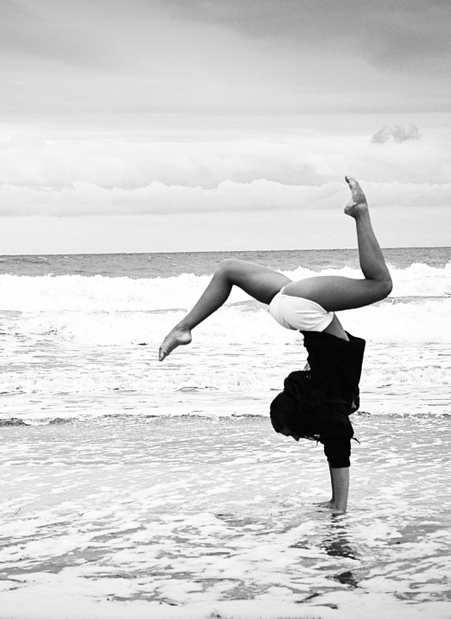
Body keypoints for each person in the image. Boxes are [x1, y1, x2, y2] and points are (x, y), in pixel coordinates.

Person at [157, 176, 392, 514]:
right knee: (227, 270)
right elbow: (335, 446)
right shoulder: (326, 403)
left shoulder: (330, 403)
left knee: (381, 284)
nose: (295, 438)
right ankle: (182, 328)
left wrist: (339, 507)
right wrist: (334, 502)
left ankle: (360, 213)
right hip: (289, 310)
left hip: (303, 311)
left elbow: (337, 445)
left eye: (289, 433)